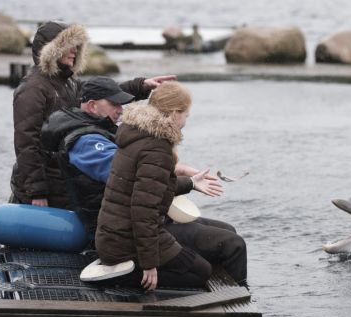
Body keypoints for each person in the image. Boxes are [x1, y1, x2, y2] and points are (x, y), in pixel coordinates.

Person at [42, 78, 247, 287]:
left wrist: (190, 182)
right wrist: (150, 264)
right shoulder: (94, 141)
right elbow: (143, 207)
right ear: (175, 113)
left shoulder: (126, 133)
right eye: (186, 115)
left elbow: (145, 187)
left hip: (129, 227)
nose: (121, 110)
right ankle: (240, 306)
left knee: (227, 232)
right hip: (126, 234)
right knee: (228, 249)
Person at [10, 20, 175, 208]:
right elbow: (26, 144)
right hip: (45, 185)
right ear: (52, 50)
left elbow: (100, 98)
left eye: (77, 46)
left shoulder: (68, 82)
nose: (74, 50)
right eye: (69, 45)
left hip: (65, 175)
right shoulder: (32, 89)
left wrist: (140, 86)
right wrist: (37, 192)